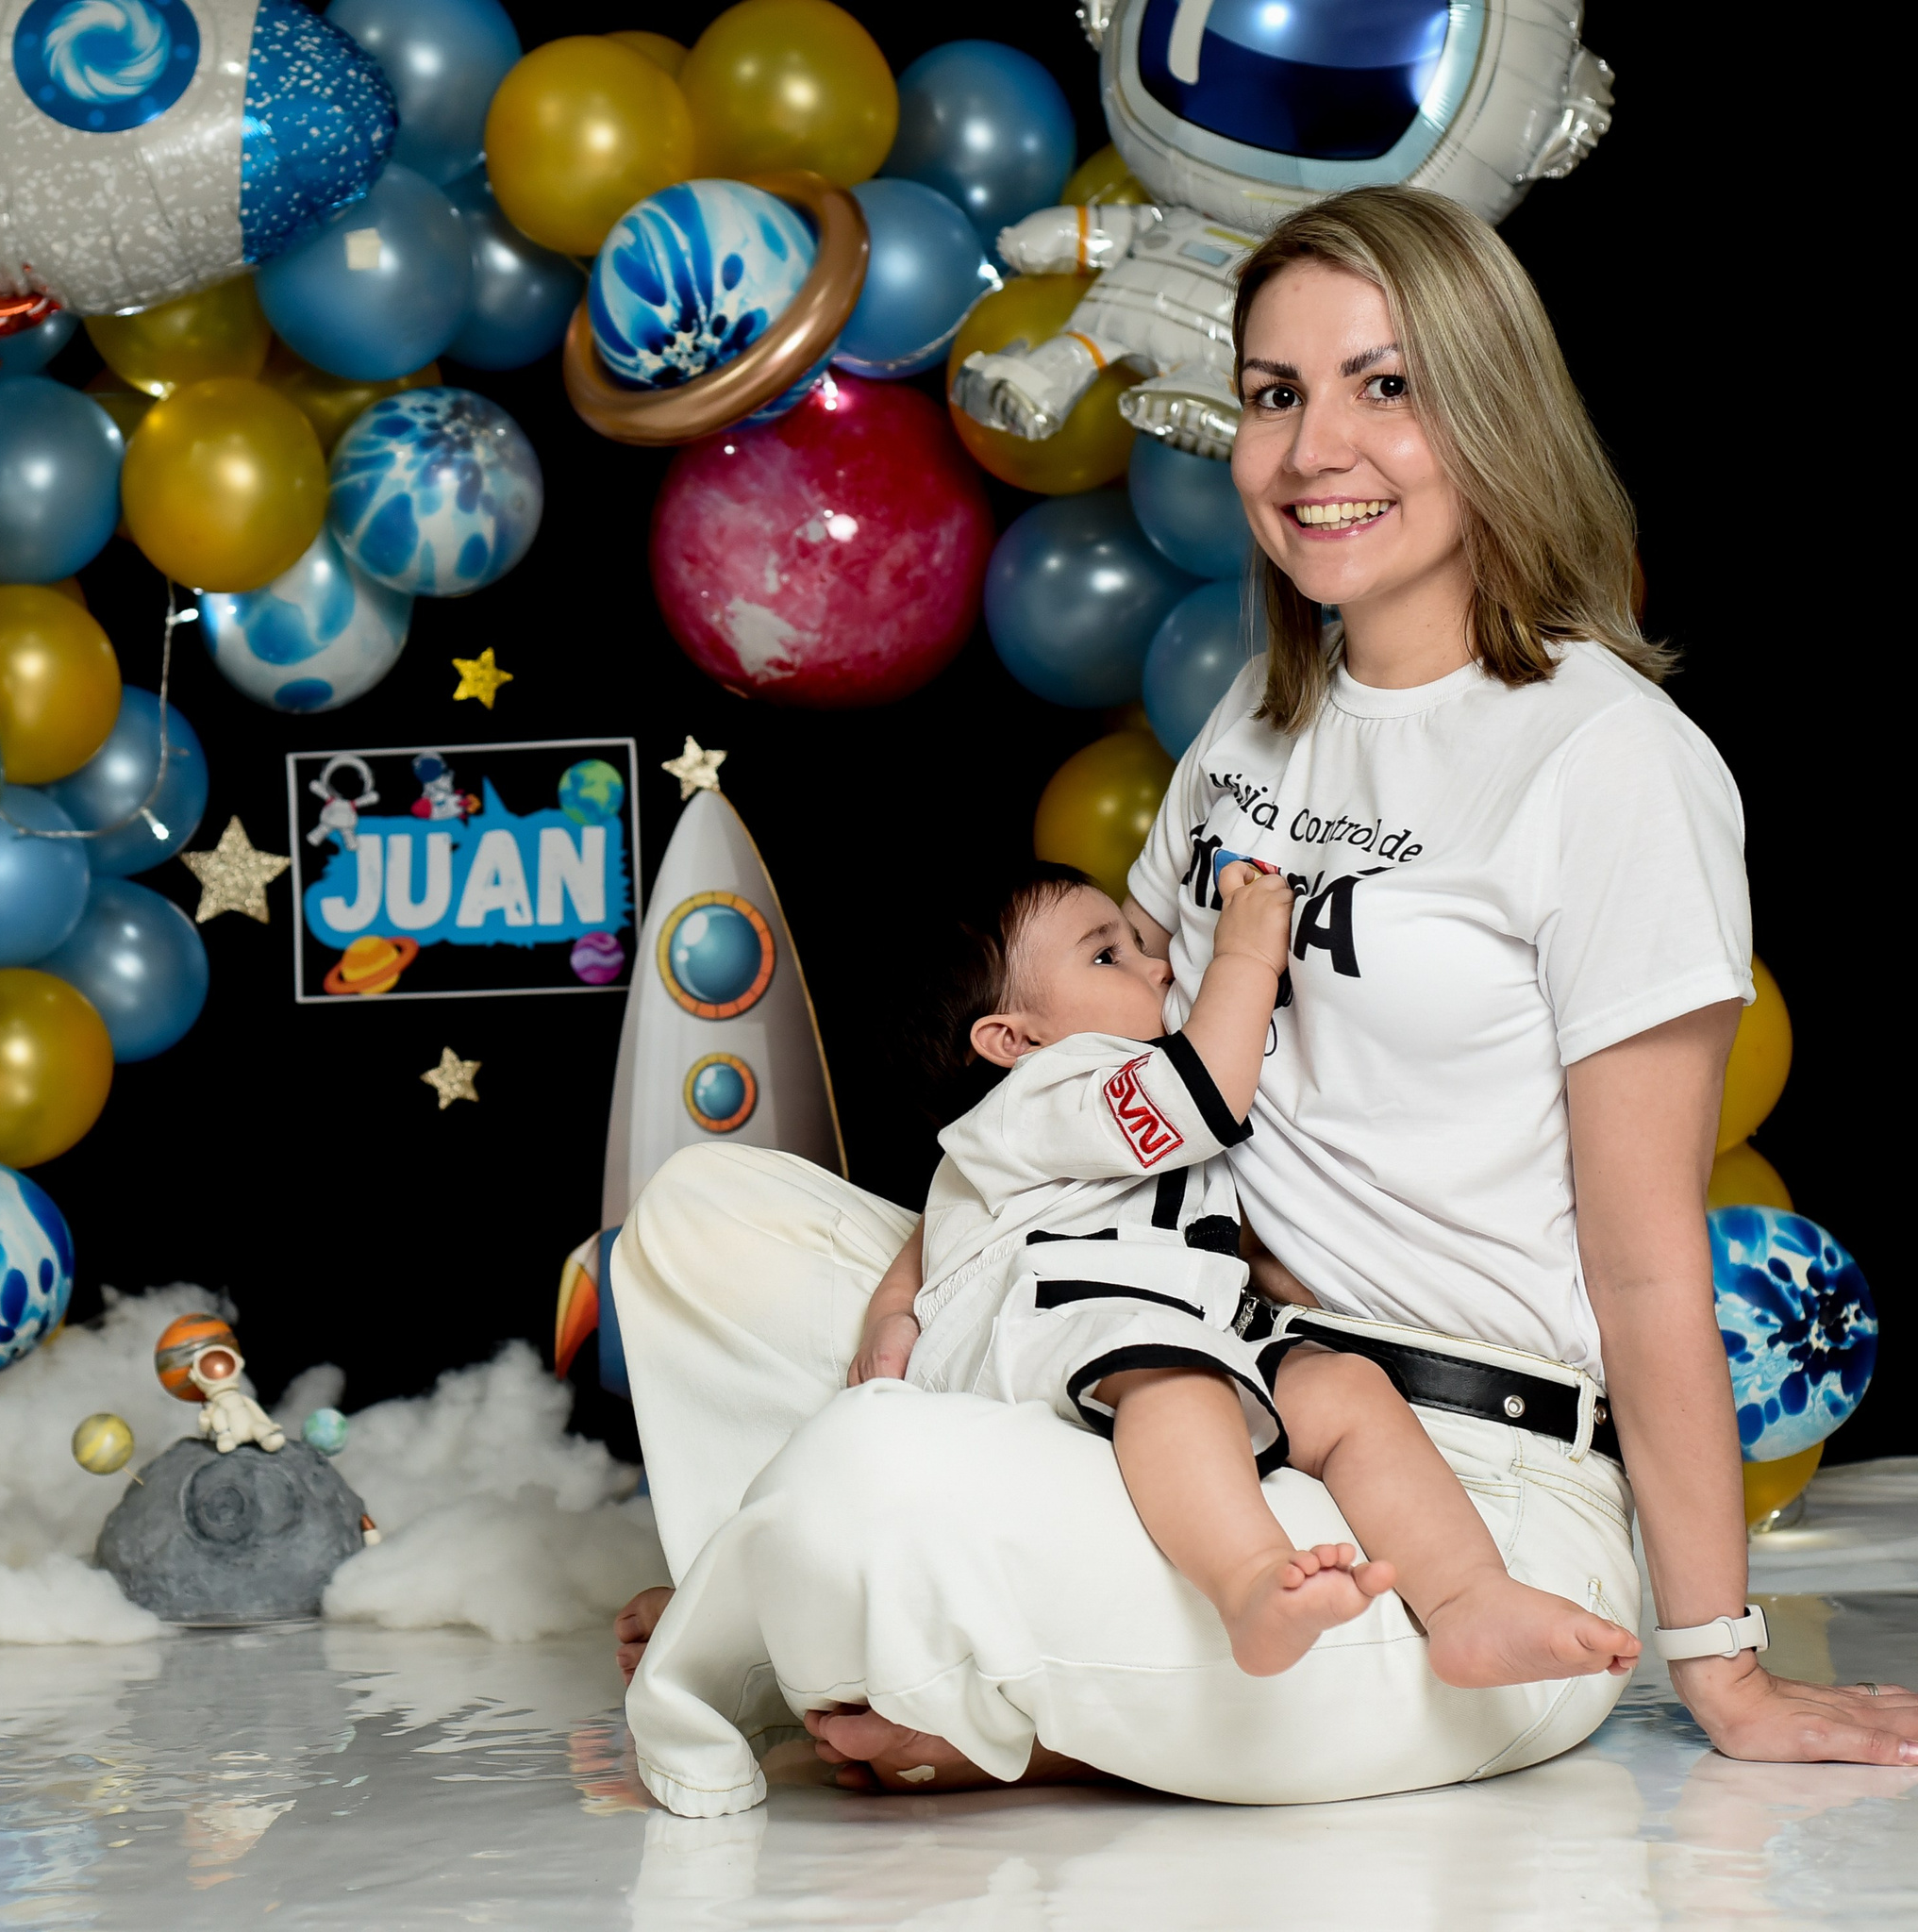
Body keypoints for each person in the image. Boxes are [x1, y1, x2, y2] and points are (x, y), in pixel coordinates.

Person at [609, 185, 1917, 1818]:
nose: (1314, 452)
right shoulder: (1256, 724)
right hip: (1174, 1366)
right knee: (701, 1224)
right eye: (1274, 394)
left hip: (1464, 1488)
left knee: (885, 1470)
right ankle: (864, 1612)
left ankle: (847, 1613)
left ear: (1495, 408)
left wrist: (1721, 1665)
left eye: (1386, 386)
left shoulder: (1611, 763)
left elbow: (1651, 1265)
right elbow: (1097, 1083)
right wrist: (913, 1296)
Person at [895, 858, 1640, 1685]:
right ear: (1015, 1040)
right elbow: (1207, 1092)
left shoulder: (1064, 1113)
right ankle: (1251, 1579)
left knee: (1345, 1388)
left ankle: (1468, 1599)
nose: (1157, 965)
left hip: (1161, 1332)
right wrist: (1245, 955)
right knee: (1175, 1372)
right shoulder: (1045, 1090)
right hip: (1049, 1336)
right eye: (1108, 956)